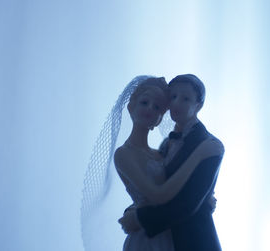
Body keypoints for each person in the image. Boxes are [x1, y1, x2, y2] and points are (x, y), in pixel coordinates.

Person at [81, 75, 223, 251]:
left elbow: (183, 199)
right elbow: (156, 194)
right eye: (144, 103)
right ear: (131, 106)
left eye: (157, 107)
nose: (150, 109)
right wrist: (136, 214)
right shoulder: (126, 154)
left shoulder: (179, 149)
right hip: (150, 237)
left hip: (184, 239)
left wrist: (204, 196)